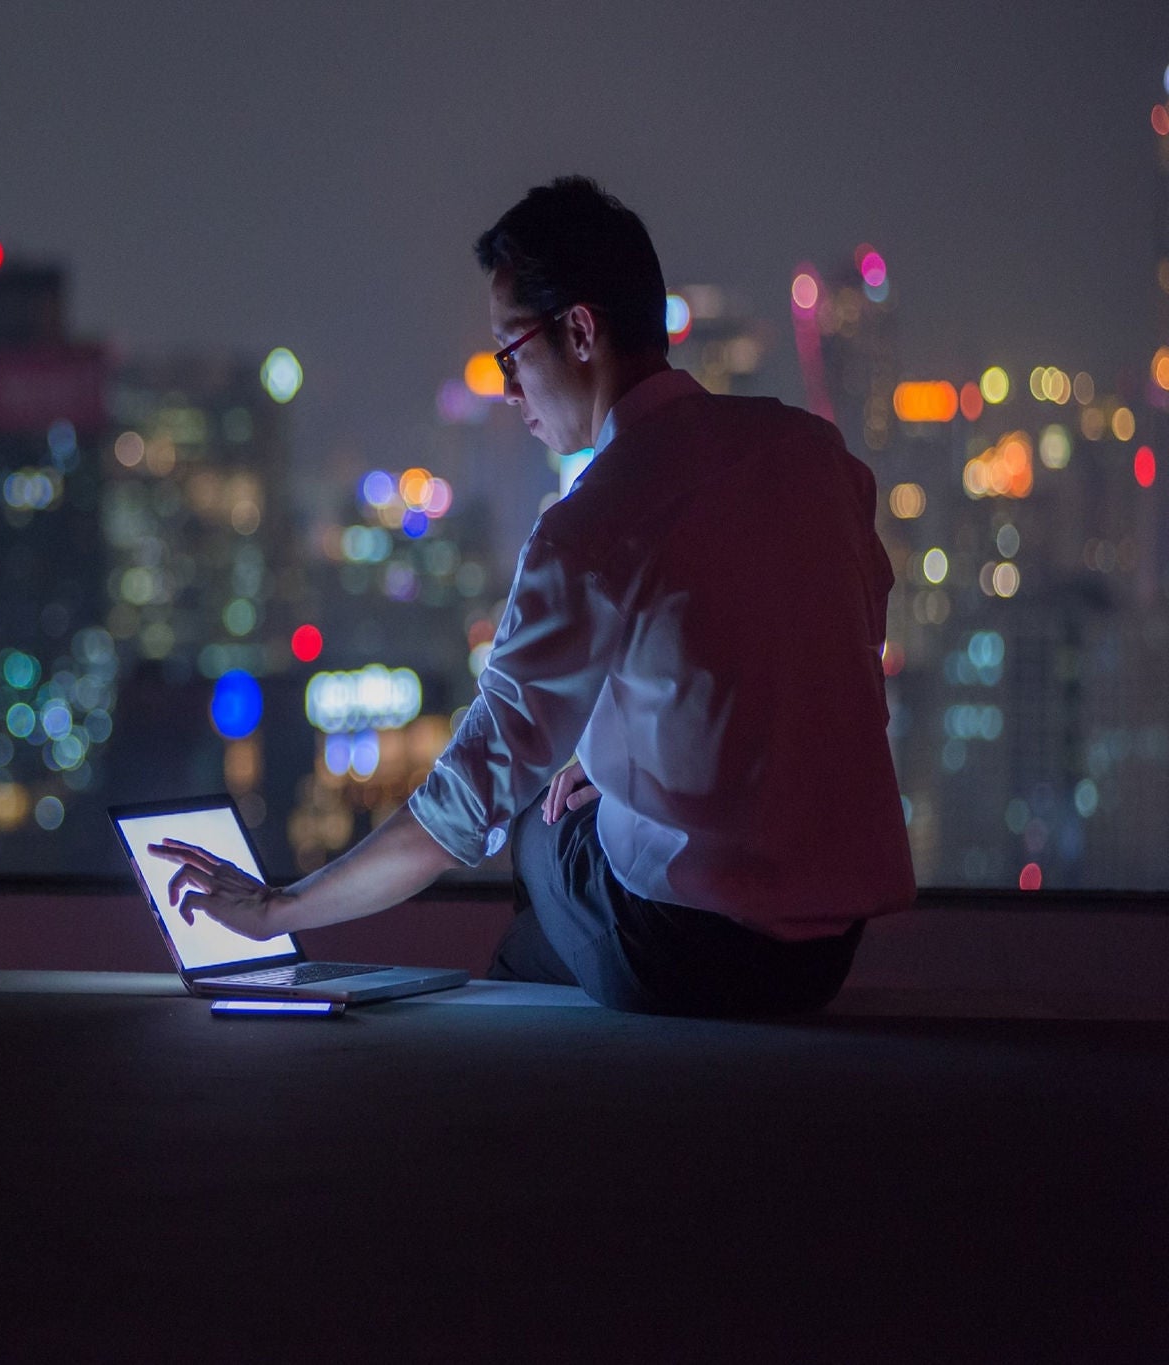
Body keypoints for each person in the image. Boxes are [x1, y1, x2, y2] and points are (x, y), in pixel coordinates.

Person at [154, 175, 914, 1017]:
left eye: (509, 355)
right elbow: (801, 659)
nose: (507, 390)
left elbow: (466, 801)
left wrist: (276, 909)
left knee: (540, 833)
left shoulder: (590, 528)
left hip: (686, 948)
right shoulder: (817, 458)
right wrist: (615, 762)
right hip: (825, 951)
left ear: (580, 330)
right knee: (572, 796)